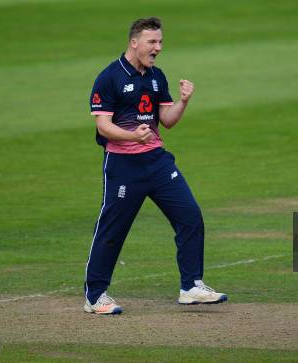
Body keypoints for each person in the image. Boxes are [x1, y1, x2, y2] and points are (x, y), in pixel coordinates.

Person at [84, 17, 227, 314]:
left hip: (157, 161)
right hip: (123, 164)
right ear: (134, 42)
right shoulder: (109, 77)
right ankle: (95, 296)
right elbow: (103, 127)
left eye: (160, 42)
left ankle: (191, 286)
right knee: (112, 230)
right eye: (152, 42)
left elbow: (168, 121)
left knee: (190, 215)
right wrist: (131, 135)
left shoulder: (156, 76)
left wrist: (184, 102)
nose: (158, 48)